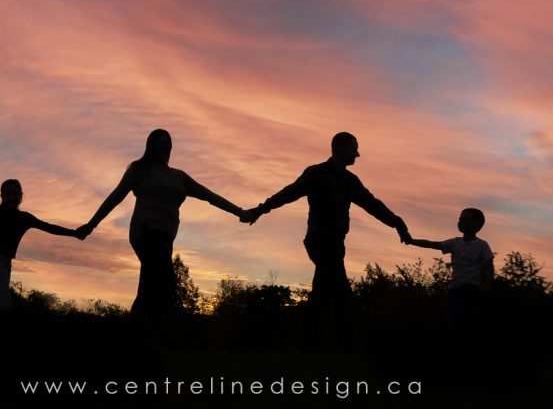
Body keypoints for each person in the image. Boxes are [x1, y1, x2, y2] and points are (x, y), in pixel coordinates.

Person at [76, 129, 246, 341]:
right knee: (165, 285)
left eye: (166, 143)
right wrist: (91, 224)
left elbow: (210, 196)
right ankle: (141, 339)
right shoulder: (140, 170)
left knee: (152, 288)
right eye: (158, 143)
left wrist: (239, 212)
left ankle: (137, 339)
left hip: (165, 238)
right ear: (150, 146)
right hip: (146, 232)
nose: (163, 147)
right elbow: (115, 197)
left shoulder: (179, 176)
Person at [241, 132, 411, 342]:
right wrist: (260, 210)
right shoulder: (316, 173)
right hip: (319, 239)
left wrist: (397, 223)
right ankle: (347, 345)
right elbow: (288, 193)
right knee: (342, 293)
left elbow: (372, 205)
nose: (357, 154)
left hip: (336, 242)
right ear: (340, 148)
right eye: (354, 148)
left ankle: (308, 345)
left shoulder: (351, 181)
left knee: (322, 293)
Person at [0, 178, 81, 314]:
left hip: (6, 263)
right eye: (8, 194)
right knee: (5, 303)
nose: (12, 197)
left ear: (21, 196)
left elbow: (49, 227)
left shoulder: (25, 218)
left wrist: (75, 233)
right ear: (2, 197)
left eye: (15, 194)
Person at [405, 208, 494, 334]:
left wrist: (487, 284)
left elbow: (489, 266)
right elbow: (432, 244)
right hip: (454, 288)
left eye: (464, 219)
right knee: (454, 321)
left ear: (476, 224)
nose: (460, 221)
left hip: (470, 289)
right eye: (459, 219)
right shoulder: (454, 243)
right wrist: (411, 241)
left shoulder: (482, 245)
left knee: (457, 321)